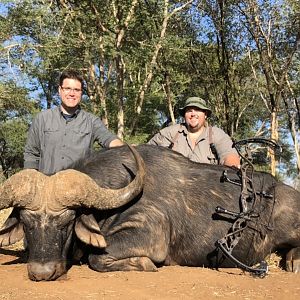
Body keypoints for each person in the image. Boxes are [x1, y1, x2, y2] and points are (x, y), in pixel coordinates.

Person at [23, 69, 124, 175]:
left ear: (81, 93)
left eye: (76, 90)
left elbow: (111, 141)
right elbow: (31, 154)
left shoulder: (92, 121)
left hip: (79, 187)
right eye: (67, 88)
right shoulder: (41, 119)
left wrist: (129, 150)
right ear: (60, 90)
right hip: (47, 187)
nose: (72, 93)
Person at [148, 96, 240, 167]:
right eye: (189, 110)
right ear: (184, 115)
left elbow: (229, 156)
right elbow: (146, 152)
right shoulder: (170, 132)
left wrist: (231, 168)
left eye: (198, 110)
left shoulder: (217, 134)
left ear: (205, 115)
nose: (193, 114)